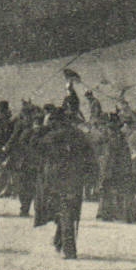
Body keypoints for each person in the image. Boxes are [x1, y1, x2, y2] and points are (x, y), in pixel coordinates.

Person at [33, 107, 94, 259]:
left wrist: (40, 128)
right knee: (68, 212)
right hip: (76, 179)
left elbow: (34, 146)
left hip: (56, 179)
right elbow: (90, 156)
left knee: (63, 211)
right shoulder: (79, 135)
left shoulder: (52, 136)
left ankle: (69, 249)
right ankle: (59, 241)